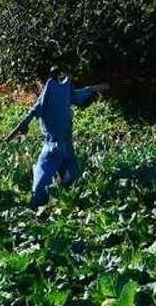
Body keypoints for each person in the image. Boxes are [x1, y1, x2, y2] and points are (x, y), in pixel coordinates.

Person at [6, 71, 108, 208]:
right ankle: (64, 199)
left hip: (55, 148)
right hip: (62, 147)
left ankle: (44, 203)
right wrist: (94, 90)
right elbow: (82, 96)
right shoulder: (64, 93)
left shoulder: (48, 97)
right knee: (71, 180)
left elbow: (26, 120)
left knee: (42, 188)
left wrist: (11, 136)